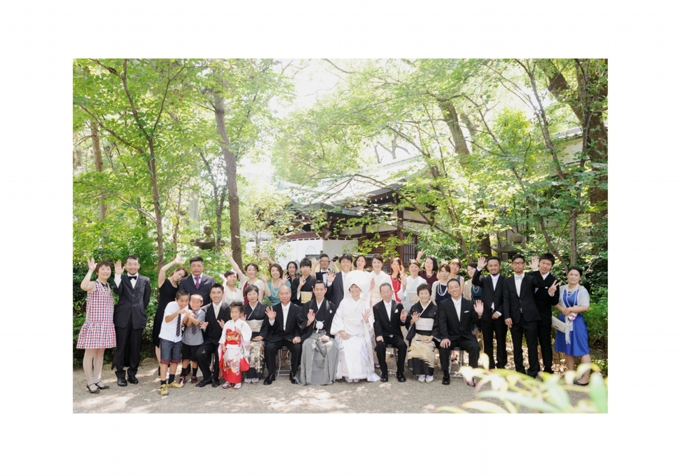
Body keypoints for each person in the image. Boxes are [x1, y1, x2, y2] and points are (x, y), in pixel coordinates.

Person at [502, 255, 557, 378]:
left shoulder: (531, 278)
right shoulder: (507, 281)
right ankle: (519, 370)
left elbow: (540, 284)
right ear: (511, 265)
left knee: (532, 345)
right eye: (515, 263)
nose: (518, 265)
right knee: (516, 345)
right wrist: (507, 316)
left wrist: (534, 270)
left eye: (520, 263)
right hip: (514, 317)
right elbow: (506, 299)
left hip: (530, 317)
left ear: (524, 265)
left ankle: (533, 371)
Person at [330, 276, 381, 383]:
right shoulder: (344, 302)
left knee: (359, 347)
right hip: (346, 334)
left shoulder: (364, 303)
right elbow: (337, 318)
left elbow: (370, 321)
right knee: (346, 347)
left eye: (356, 287)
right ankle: (347, 374)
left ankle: (358, 374)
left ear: (360, 289)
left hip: (359, 334)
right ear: (349, 289)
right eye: (352, 287)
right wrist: (341, 332)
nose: (354, 289)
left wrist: (366, 321)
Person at [78, 258, 116, 394]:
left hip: (106, 325)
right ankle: (89, 382)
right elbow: (83, 286)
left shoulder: (108, 286)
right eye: (103, 269)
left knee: (101, 353)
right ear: (97, 271)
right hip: (94, 325)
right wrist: (90, 270)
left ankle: (97, 379)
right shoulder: (94, 284)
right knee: (90, 354)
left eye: (108, 269)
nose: (106, 271)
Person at [112, 255, 151, 387]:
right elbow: (117, 291)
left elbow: (145, 300)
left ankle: (132, 374)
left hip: (138, 317)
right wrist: (117, 275)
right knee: (121, 347)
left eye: (135, 264)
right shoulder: (121, 278)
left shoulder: (145, 280)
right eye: (130, 264)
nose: (132, 267)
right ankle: (120, 375)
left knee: (135, 347)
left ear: (138, 265)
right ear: (125, 266)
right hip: (122, 317)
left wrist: (138, 311)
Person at [437, 278, 484, 386]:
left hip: (465, 336)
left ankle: (471, 376)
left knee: (475, 347)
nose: (454, 289)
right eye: (451, 288)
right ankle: (446, 375)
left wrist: (479, 315)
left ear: (460, 288)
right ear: (448, 290)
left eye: (456, 287)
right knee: (443, 346)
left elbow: (476, 322)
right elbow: (442, 321)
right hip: (450, 336)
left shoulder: (469, 303)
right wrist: (444, 336)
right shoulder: (443, 304)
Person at [295, 281, 339, 385]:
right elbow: (300, 322)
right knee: (307, 344)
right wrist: (309, 322)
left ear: (325, 290)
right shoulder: (307, 306)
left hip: (326, 334)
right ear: (313, 290)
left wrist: (328, 335)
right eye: (317, 289)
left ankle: (328, 377)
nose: (319, 292)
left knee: (332, 346)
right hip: (312, 334)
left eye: (321, 289)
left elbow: (334, 323)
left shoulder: (332, 306)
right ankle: (308, 377)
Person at [554, 267, 592, 386]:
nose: (573, 277)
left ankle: (586, 377)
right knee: (567, 349)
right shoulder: (561, 289)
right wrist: (563, 310)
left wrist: (569, 309)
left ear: (580, 277)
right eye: (571, 274)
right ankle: (571, 375)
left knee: (583, 349)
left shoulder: (582, 290)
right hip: (564, 321)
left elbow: (585, 307)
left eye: (576, 275)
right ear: (567, 275)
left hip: (577, 322)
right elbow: (556, 303)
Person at [152, 255, 187, 373]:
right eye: (179, 273)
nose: (179, 277)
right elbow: (162, 270)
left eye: (182, 276)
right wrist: (175, 261)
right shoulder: (164, 282)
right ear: (175, 271)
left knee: (171, 339)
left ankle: (168, 363)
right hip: (162, 314)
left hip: (174, 315)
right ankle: (161, 365)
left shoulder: (178, 288)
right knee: (158, 340)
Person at [261, 285, 302, 385]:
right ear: (278, 295)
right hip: (277, 336)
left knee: (297, 347)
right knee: (269, 346)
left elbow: (299, 326)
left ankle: (293, 372)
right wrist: (271, 320)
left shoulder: (298, 309)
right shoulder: (272, 309)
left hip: (291, 336)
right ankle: (271, 373)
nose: (284, 296)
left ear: (290, 294)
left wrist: (297, 336)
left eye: (286, 293)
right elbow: (270, 328)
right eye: (282, 293)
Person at [472, 256, 508, 370]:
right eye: (491, 266)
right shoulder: (484, 279)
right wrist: (478, 268)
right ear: (487, 267)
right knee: (487, 342)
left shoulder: (506, 281)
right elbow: (474, 281)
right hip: (486, 316)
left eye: (495, 265)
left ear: (500, 267)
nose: (493, 268)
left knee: (501, 341)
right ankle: (490, 365)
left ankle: (501, 365)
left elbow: (507, 299)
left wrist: (499, 311)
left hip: (500, 316)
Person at [529, 254, 560, 374]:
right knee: (532, 344)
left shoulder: (554, 280)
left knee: (545, 343)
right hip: (529, 316)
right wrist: (535, 271)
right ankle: (533, 368)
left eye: (548, 264)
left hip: (544, 317)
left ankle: (548, 369)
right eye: (543, 263)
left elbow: (555, 301)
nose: (545, 266)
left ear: (551, 266)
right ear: (539, 263)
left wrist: (551, 293)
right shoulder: (530, 276)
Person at [157, 289, 191, 396]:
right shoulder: (171, 305)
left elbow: (183, 324)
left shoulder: (186, 308)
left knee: (175, 360)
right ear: (176, 299)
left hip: (177, 337)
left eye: (186, 301)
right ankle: (163, 384)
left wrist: (189, 316)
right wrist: (178, 312)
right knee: (165, 361)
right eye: (181, 301)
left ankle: (171, 381)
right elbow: (167, 319)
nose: (184, 303)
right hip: (167, 336)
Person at [373, 283, 408, 383]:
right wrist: (379, 335)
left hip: (396, 334)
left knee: (402, 345)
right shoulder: (377, 307)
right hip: (383, 334)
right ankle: (384, 372)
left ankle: (400, 372)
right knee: (379, 346)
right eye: (383, 292)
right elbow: (377, 322)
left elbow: (401, 322)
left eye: (388, 291)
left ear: (392, 292)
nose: (386, 294)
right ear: (380, 293)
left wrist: (402, 320)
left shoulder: (398, 305)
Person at [196, 284, 229, 388]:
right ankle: (207, 377)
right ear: (210, 295)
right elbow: (201, 325)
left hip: (222, 340)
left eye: (218, 292)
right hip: (209, 339)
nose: (216, 295)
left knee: (219, 354)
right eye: (213, 293)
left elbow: (234, 326)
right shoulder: (204, 309)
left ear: (223, 294)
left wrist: (225, 327)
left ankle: (215, 378)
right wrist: (204, 327)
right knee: (199, 354)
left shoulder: (229, 308)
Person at [406, 284, 439, 383]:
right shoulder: (414, 307)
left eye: (426, 293)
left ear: (430, 295)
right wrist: (412, 321)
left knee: (428, 346)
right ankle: (420, 372)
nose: (424, 295)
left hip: (430, 335)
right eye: (421, 293)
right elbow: (408, 323)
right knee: (416, 343)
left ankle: (429, 373)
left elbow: (438, 324)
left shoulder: (435, 308)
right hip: (417, 334)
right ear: (418, 295)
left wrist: (432, 336)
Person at [218, 302, 252, 389]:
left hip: (237, 348)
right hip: (228, 347)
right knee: (227, 364)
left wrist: (241, 333)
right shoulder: (227, 323)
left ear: (240, 313)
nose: (234, 314)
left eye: (236, 312)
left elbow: (248, 334)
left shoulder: (243, 324)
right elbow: (223, 335)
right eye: (232, 312)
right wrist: (223, 345)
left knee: (236, 365)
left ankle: (237, 381)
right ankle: (228, 381)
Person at [178, 294, 205, 385]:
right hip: (186, 339)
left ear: (201, 303)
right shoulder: (187, 311)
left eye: (197, 302)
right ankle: (182, 375)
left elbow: (197, 323)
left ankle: (194, 375)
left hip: (197, 340)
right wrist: (188, 315)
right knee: (185, 358)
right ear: (189, 302)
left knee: (194, 359)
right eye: (192, 301)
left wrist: (191, 316)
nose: (195, 304)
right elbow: (186, 324)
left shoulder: (202, 312)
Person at [243, 285, 267, 383]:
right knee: (247, 346)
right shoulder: (244, 309)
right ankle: (247, 374)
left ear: (258, 295)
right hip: (247, 337)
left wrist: (262, 336)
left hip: (260, 336)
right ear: (246, 296)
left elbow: (266, 325)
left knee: (256, 347)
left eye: (254, 294)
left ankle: (257, 373)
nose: (252, 296)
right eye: (249, 294)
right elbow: (241, 326)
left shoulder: (264, 308)